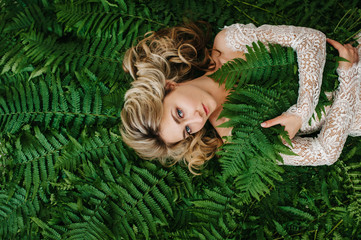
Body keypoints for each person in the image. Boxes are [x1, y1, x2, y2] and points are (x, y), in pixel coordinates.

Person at [120, 22, 361, 173]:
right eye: (187, 131)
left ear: (170, 86)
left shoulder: (227, 44)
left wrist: (302, 110)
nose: (195, 120)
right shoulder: (238, 140)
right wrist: (347, 75)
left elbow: (310, 39)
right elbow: (325, 153)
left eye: (179, 113)